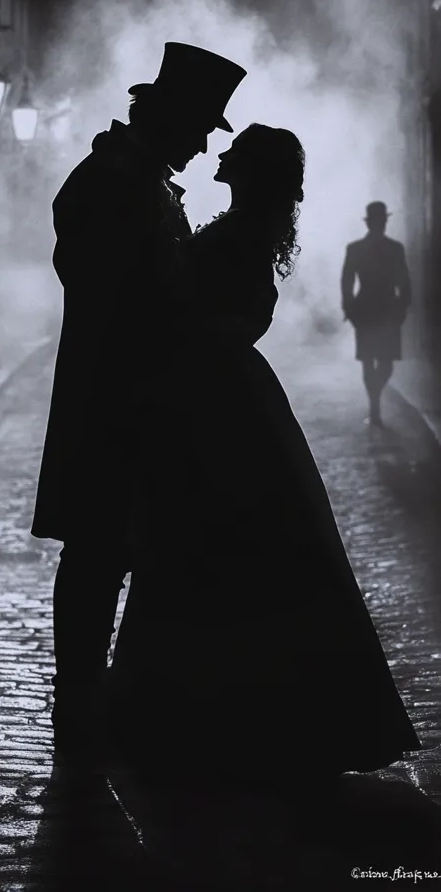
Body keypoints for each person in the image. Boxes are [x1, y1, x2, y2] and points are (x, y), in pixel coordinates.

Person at [105, 124, 420, 782]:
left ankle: (208, 718)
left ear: (250, 172)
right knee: (248, 543)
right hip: (232, 395)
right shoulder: (251, 228)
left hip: (212, 400)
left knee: (204, 542)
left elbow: (188, 302)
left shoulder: (239, 231)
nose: (221, 157)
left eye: (235, 154)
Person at [30, 42, 247, 761]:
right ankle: (79, 700)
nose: (197, 145)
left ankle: (92, 698)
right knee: (98, 549)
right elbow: (114, 293)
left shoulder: (134, 179)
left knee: (112, 548)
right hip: (116, 400)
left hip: (131, 398)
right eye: (196, 130)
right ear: (170, 118)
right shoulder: (114, 183)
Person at [341, 201, 412, 427]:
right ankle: (374, 407)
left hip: (373, 310)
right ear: (376, 222)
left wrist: (350, 308)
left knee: (379, 362)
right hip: (380, 310)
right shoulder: (392, 248)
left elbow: (404, 282)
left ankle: (374, 401)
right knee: (376, 361)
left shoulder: (360, 249)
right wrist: (401, 307)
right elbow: (347, 281)